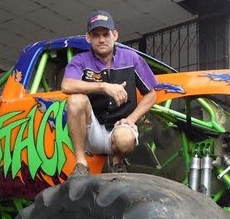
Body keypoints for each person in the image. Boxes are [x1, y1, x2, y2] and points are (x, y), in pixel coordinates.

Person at [61, 10, 158, 176]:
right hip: (93, 129)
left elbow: (152, 94)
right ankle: (81, 164)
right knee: (76, 100)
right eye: (96, 35)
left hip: (121, 128)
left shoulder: (131, 58)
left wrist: (130, 120)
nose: (101, 39)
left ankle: (117, 162)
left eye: (106, 34)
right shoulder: (80, 59)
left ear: (115, 35)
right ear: (88, 37)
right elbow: (66, 85)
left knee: (125, 139)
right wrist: (104, 86)